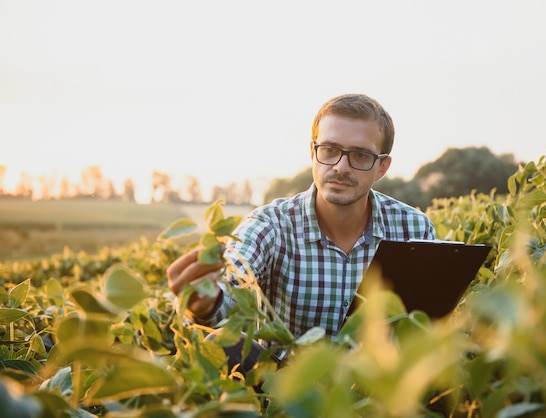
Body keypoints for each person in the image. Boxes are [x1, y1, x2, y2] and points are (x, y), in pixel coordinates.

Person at [167, 93, 436, 340]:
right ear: (312, 152)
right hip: (285, 390)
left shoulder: (414, 228)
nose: (341, 167)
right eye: (329, 150)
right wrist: (207, 301)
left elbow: (426, 326)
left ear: (382, 167)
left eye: (360, 155)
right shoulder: (270, 225)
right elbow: (233, 282)